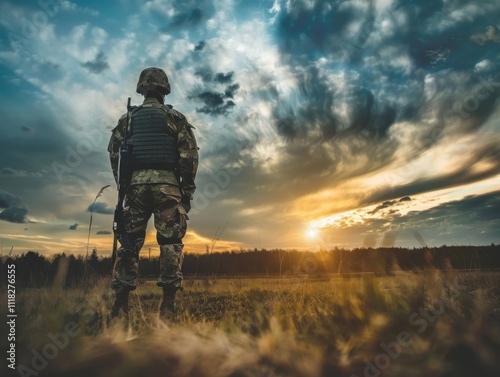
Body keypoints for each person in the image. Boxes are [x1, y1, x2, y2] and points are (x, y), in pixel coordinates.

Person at [107, 67, 199, 320]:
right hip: (168, 187)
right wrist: (187, 191)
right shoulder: (175, 117)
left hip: (135, 189)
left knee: (128, 244)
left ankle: (120, 306)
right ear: (164, 90)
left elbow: (114, 154)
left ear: (141, 89)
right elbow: (189, 156)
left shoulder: (127, 119)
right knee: (170, 243)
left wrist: (123, 185)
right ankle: (168, 305)